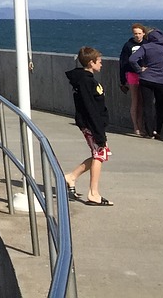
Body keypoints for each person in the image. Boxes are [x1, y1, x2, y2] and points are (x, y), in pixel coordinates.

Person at [62, 46, 112, 205]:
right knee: (99, 154)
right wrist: (98, 132)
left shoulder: (87, 79)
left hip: (95, 123)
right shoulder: (85, 81)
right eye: (99, 62)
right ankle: (93, 193)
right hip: (91, 124)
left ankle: (71, 177)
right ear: (91, 63)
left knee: (100, 155)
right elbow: (89, 107)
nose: (101, 64)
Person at [130, 27, 163, 139]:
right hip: (162, 80)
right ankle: (157, 130)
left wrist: (139, 70)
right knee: (160, 106)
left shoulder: (146, 47)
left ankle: (149, 132)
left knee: (148, 105)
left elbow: (132, 59)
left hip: (146, 79)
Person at [118, 24, 147, 136]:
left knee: (143, 101)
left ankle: (142, 125)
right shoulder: (128, 45)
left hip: (145, 75)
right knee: (135, 100)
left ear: (143, 33)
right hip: (132, 74)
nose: (137, 36)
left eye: (139, 33)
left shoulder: (147, 44)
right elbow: (123, 63)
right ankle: (136, 127)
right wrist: (122, 79)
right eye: (135, 33)